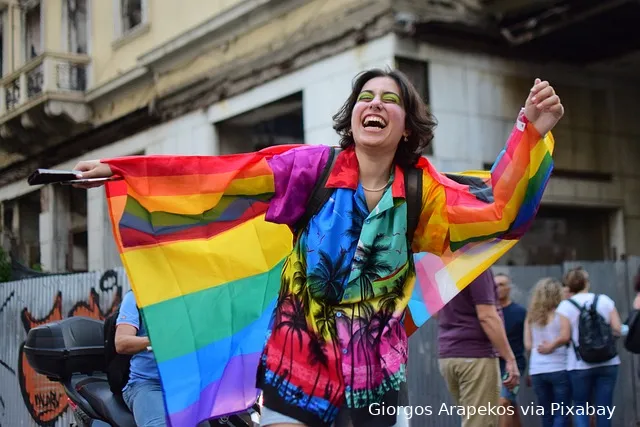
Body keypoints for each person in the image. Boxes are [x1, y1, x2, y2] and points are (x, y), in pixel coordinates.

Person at [71, 69, 564, 427]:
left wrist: (530, 133)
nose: (374, 104)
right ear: (352, 118)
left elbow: (497, 210)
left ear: (407, 125)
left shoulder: (423, 192)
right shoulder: (312, 171)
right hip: (295, 372)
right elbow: (222, 179)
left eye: (389, 99)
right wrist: (127, 173)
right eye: (365, 97)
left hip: (378, 383)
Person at [539, 267, 621, 427]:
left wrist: (550, 346)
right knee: (604, 408)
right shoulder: (605, 300)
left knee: (581, 406)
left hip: (579, 364)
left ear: (568, 286)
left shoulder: (565, 306)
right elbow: (617, 329)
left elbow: (564, 336)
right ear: (586, 283)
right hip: (608, 362)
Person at [437, 269, 519, 427]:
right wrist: (509, 358)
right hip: (475, 356)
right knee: (480, 422)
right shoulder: (478, 266)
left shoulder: (444, 267)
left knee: (472, 419)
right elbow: (487, 316)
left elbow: (435, 311)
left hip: (448, 355)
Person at [115, 290, 166, 427]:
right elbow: (121, 343)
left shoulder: (194, 295)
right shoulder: (137, 296)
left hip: (189, 384)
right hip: (149, 384)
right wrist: (158, 340)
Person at [524, 277, 571, 427]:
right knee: (561, 413)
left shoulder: (530, 317)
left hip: (537, 369)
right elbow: (565, 336)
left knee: (546, 413)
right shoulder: (562, 313)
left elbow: (528, 345)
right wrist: (552, 345)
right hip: (559, 367)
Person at [495, 273, 526, 427]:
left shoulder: (520, 312)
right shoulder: (489, 312)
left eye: (502, 284)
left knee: (503, 402)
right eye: (496, 285)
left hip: (514, 365)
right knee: (510, 405)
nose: (498, 288)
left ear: (509, 288)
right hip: (493, 364)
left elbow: (527, 341)